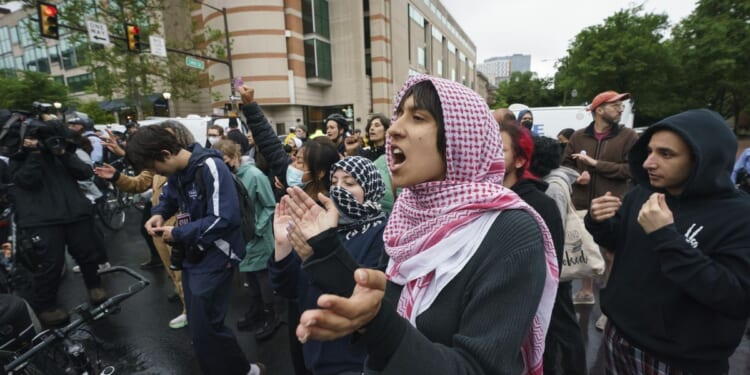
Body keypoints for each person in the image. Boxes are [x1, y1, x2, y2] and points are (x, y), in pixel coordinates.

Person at [286, 75, 559, 374]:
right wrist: (324, 250)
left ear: (460, 137)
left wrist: (380, 326)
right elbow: (378, 302)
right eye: (398, 115)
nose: (394, 129)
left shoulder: (511, 231)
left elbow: (477, 367)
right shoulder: (408, 212)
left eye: (417, 117)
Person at [585, 109, 750, 374]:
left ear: (701, 159)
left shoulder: (740, 216)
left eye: (666, 154)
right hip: (620, 336)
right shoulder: (644, 193)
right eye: (649, 151)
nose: (649, 163)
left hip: (681, 359)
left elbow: (736, 296)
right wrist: (599, 220)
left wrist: (665, 236)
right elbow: (619, 242)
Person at [127, 126, 264, 375]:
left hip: (218, 253)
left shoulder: (211, 167)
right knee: (201, 328)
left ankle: (245, 370)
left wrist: (177, 233)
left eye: (155, 168)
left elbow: (224, 218)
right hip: (195, 252)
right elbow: (169, 197)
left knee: (205, 327)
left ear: (166, 153)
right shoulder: (178, 172)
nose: (156, 174)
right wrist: (158, 215)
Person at [270, 156, 387, 374]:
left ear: (371, 188)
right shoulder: (319, 224)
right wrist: (282, 246)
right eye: (334, 182)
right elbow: (286, 288)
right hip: (312, 352)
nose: (339, 189)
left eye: (350, 183)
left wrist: (325, 251)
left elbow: (366, 300)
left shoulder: (382, 233)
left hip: (354, 361)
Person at [95, 120, 197, 330]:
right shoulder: (157, 166)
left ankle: (191, 311)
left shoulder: (190, 165)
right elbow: (138, 183)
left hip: (179, 227)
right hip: (159, 227)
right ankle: (186, 304)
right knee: (172, 270)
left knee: (184, 273)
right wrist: (115, 176)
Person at [9, 119, 107, 326]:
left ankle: (94, 286)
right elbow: (27, 181)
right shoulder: (19, 157)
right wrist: (34, 154)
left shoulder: (62, 152)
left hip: (75, 214)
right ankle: (46, 307)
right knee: (51, 264)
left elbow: (85, 173)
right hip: (42, 219)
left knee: (87, 254)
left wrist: (62, 153)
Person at [562, 90, 638, 315]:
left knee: (611, 253)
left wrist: (595, 164)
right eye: (615, 105)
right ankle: (586, 291)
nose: (621, 109)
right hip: (583, 202)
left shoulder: (629, 136)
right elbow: (565, 165)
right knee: (585, 247)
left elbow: (631, 170)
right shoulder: (577, 137)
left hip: (611, 203)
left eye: (621, 105)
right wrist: (577, 175)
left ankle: (608, 306)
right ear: (599, 109)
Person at [211, 139, 280, 340]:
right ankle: (256, 310)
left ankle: (271, 315)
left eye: (226, 160)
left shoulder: (255, 175)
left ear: (235, 156)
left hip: (258, 234)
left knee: (263, 277)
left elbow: (270, 205)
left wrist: (256, 228)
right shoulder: (225, 177)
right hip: (240, 236)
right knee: (249, 276)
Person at [529, 135, 587, 375]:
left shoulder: (552, 188)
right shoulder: (555, 181)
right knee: (559, 323)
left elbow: (552, 232)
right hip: (557, 267)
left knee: (564, 324)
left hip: (557, 270)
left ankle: (575, 368)